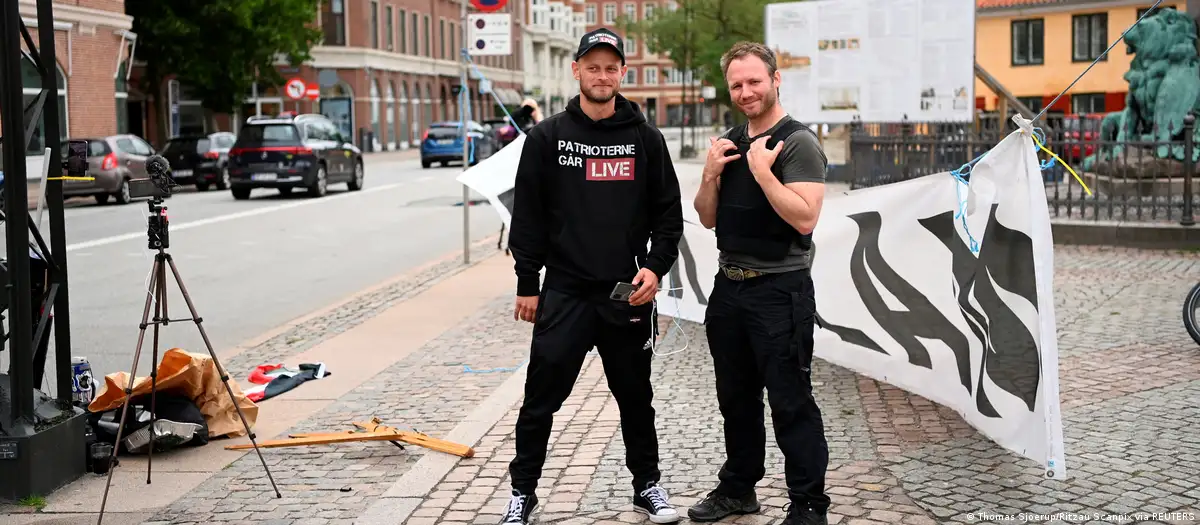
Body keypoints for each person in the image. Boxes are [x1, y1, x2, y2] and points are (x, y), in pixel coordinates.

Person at [502, 27, 684, 525]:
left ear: (622, 73)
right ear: (576, 70)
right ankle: (522, 493)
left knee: (635, 399)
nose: (601, 75)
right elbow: (529, 217)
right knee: (541, 399)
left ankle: (647, 486)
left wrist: (654, 267)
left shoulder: (645, 139)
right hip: (564, 292)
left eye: (610, 67)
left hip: (624, 296)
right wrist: (527, 281)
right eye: (593, 66)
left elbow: (669, 214)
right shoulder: (547, 137)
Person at [687, 41, 831, 525]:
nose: (746, 91)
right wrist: (710, 174)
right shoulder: (729, 142)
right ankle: (738, 490)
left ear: (775, 79)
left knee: (790, 401)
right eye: (737, 85)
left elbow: (806, 218)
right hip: (729, 289)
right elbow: (707, 218)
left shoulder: (799, 142)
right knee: (736, 399)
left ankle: (809, 505)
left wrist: (764, 175)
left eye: (754, 81)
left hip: (779, 291)